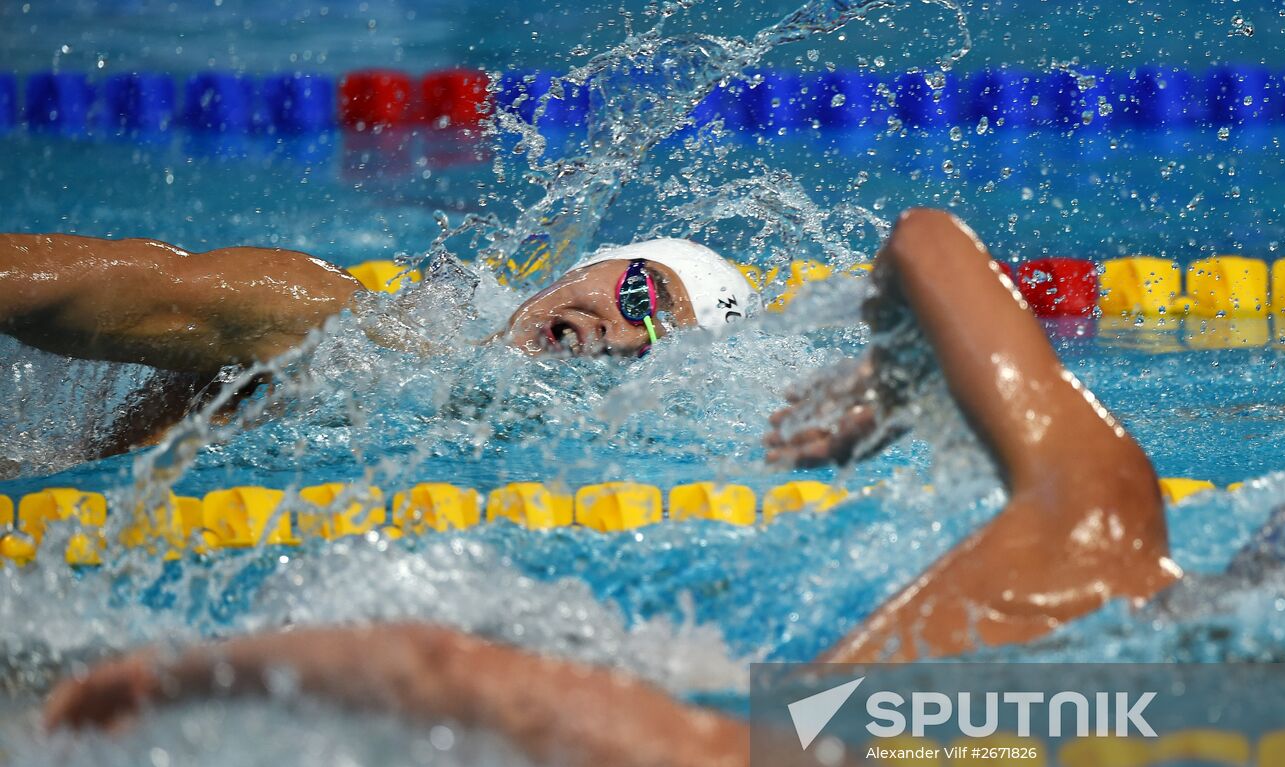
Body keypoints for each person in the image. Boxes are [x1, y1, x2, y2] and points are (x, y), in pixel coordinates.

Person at [44, 208, 1175, 767]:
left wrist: (176, 673)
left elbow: (450, 664)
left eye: (650, 329)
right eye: (636, 285)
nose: (612, 326)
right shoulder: (350, 322)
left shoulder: (790, 762)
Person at [0, 233, 758, 456]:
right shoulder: (329, 323)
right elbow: (105, 286)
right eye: (642, 293)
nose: (622, 334)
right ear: (595, 262)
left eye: (654, 345)